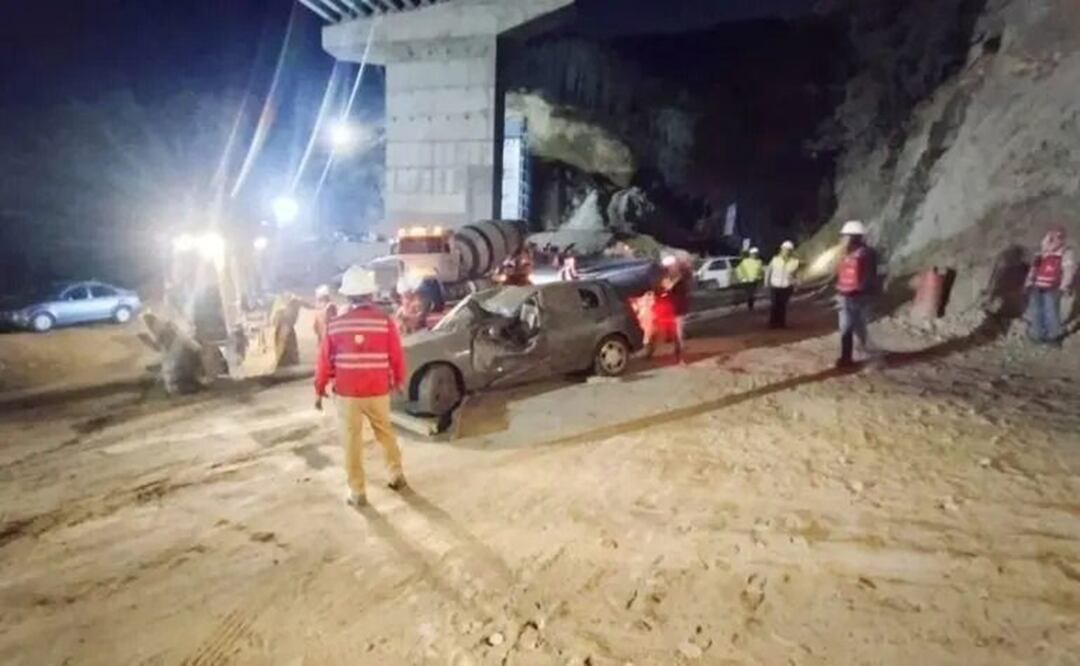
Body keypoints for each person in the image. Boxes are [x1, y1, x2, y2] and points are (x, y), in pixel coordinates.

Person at [315, 266, 408, 508]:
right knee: (385, 433)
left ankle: (357, 492)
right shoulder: (385, 323)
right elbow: (396, 355)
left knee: (351, 441)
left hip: (347, 393)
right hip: (377, 390)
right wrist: (398, 381)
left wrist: (319, 387)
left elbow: (324, 360)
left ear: (347, 296)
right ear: (370, 295)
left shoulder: (335, 325)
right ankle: (396, 474)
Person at [835, 220, 879, 368]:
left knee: (858, 327)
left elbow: (870, 275)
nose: (844, 239)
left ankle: (867, 353)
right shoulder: (844, 254)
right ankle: (846, 358)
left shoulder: (866, 254)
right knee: (846, 327)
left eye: (847, 236)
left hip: (860, 297)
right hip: (846, 296)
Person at [1025, 226, 1076, 346]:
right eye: (1051, 237)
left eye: (1058, 237)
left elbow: (1069, 270)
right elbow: (1034, 267)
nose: (1053, 240)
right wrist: (1028, 281)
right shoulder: (1042, 252)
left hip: (1053, 287)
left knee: (1051, 311)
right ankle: (1037, 335)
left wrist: (1064, 286)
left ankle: (1054, 337)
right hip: (1037, 286)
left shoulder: (1066, 252)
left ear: (1062, 239)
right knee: (1036, 311)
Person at [766, 241, 800, 329]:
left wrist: (796, 285)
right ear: (781, 250)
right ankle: (772, 323)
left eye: (788, 250)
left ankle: (781, 323)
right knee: (774, 305)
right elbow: (768, 271)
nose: (786, 252)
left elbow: (796, 275)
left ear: (791, 251)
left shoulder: (795, 262)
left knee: (782, 305)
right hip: (774, 285)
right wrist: (766, 282)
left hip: (786, 287)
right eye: (784, 250)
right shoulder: (775, 259)